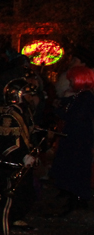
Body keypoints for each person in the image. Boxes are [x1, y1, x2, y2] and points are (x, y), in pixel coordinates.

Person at [0, 78, 40, 235]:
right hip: (10, 161)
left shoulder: (24, 112)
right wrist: (22, 156)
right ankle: (2, 234)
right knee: (7, 197)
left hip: (23, 160)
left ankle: (3, 212)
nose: (32, 98)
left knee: (25, 193)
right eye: (28, 94)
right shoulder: (9, 115)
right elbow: (7, 142)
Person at [50, 65, 94, 214]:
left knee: (77, 169)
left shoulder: (86, 97)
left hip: (79, 140)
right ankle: (74, 197)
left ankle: (77, 198)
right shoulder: (80, 96)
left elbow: (75, 118)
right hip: (76, 138)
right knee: (73, 168)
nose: (70, 83)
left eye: (72, 79)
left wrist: (58, 110)